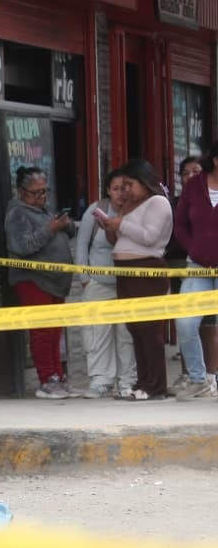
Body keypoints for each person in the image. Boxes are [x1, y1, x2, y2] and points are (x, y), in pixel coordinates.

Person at [97, 159, 174, 401]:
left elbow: (149, 237)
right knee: (134, 328)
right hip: (125, 270)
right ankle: (142, 383)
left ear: (144, 182)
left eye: (130, 184)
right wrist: (111, 226)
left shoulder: (158, 202)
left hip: (146, 270)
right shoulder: (131, 205)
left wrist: (122, 223)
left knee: (149, 329)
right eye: (124, 185)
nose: (127, 190)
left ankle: (156, 385)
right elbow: (118, 239)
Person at [4, 166, 76, 399]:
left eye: (44, 192)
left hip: (55, 280)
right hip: (34, 279)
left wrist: (65, 225)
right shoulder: (17, 213)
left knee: (55, 330)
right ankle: (47, 378)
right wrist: (50, 228)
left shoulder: (44, 211)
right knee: (42, 330)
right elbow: (22, 246)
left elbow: (65, 233)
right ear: (21, 192)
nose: (41, 197)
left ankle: (58, 375)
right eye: (36, 193)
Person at [74, 172, 137, 399]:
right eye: (116, 188)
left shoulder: (137, 211)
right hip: (98, 283)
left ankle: (127, 381)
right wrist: (85, 278)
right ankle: (101, 380)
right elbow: (81, 246)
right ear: (108, 190)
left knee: (126, 333)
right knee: (96, 332)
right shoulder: (96, 210)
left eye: (125, 187)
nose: (121, 193)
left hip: (127, 284)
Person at [170, 149, 218, 400]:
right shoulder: (194, 187)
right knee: (186, 322)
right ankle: (198, 380)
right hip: (197, 265)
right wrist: (195, 249)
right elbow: (180, 224)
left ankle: (213, 379)